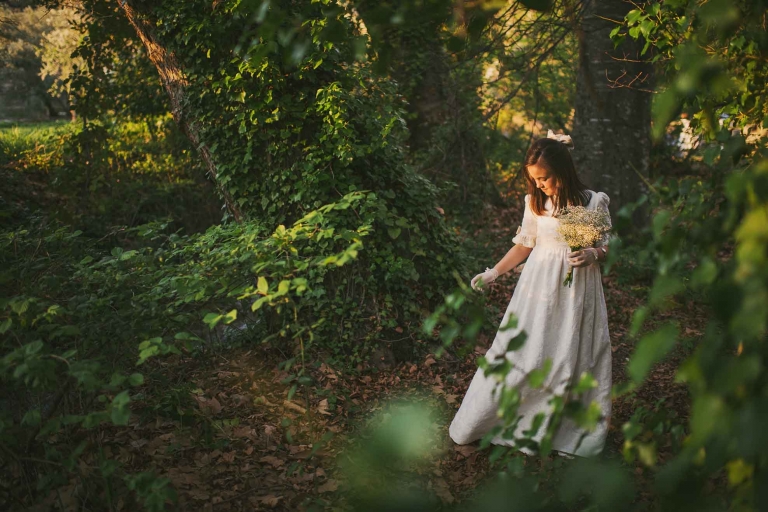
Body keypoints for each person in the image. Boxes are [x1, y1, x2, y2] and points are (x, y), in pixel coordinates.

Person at [448, 130, 612, 458]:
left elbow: (602, 244)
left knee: (570, 349)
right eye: (534, 179)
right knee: (525, 347)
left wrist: (594, 254)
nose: (539, 184)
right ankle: (499, 418)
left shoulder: (592, 201)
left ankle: (563, 426)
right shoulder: (536, 203)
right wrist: (494, 272)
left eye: (545, 178)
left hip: (578, 288)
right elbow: (525, 244)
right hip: (538, 285)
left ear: (563, 170)